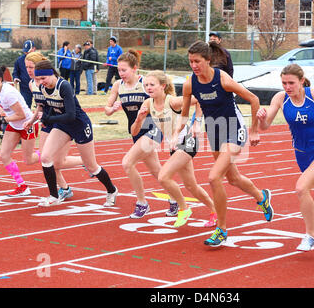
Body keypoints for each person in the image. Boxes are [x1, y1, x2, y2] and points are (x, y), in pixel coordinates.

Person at [179, 40, 273, 247]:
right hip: (213, 130)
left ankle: (221, 230)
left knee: (214, 177)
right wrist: (178, 133)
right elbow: (185, 113)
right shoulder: (189, 84)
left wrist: (254, 130)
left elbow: (254, 99)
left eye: (197, 61)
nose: (194, 66)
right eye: (190, 61)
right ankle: (262, 197)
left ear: (208, 60)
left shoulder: (223, 79)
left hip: (233, 128)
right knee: (233, 178)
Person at [256, 63, 314, 251]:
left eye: (291, 83)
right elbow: (265, 127)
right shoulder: (280, 98)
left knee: (301, 188)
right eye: (284, 83)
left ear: (301, 81)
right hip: (301, 155)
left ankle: (309, 236)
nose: (287, 87)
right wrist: (261, 118)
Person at [131, 70, 217, 228]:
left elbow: (198, 99)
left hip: (188, 141)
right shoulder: (147, 104)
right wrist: (139, 119)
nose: (148, 88)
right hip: (174, 145)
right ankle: (215, 211)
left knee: (163, 176)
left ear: (163, 86)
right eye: (146, 85)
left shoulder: (173, 102)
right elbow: (133, 132)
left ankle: (184, 209)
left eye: (152, 85)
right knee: (191, 186)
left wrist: (197, 121)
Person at [33, 60, 118, 207]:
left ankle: (112, 189)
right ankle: (54, 196)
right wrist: (47, 119)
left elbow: (71, 114)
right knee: (46, 157)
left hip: (79, 125)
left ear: (51, 74)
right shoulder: (44, 88)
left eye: (43, 78)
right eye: (38, 79)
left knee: (92, 166)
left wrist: (49, 118)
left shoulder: (64, 85)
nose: (41, 82)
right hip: (63, 125)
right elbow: (53, 105)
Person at [104, 50, 177, 217]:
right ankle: (175, 200)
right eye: (119, 70)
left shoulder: (146, 83)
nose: (120, 73)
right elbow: (107, 110)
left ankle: (142, 203)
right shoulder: (118, 86)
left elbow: (165, 100)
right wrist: (112, 109)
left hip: (153, 128)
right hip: (135, 130)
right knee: (156, 171)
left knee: (127, 163)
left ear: (134, 68)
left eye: (124, 70)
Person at [23, 52, 83, 201]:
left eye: (31, 67)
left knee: (58, 162)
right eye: (26, 67)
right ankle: (64, 188)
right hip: (47, 122)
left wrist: (51, 118)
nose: (29, 70)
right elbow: (40, 106)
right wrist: (31, 120)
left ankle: (85, 162)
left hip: (59, 121)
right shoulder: (32, 84)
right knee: (46, 160)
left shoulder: (53, 83)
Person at [0, 66, 40, 197]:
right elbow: (3, 107)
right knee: (4, 155)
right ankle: (22, 186)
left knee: (29, 160)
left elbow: (21, 115)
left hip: (28, 124)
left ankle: (50, 153)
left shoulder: (8, 93)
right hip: (15, 125)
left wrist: (3, 120)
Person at [12, 39, 36, 108]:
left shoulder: (39, 59)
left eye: (28, 51)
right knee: (25, 107)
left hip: (38, 87)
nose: (26, 53)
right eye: (25, 51)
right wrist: (16, 78)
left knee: (41, 108)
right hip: (25, 87)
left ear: (34, 49)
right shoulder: (19, 60)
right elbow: (15, 72)